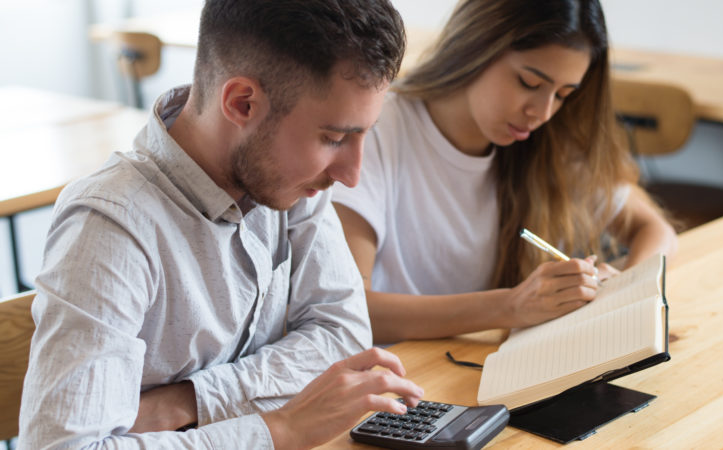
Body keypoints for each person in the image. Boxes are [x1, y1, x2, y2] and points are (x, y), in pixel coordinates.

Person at [19, 1, 423, 448]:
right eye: (333, 138)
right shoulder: (111, 227)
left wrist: (184, 403)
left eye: (363, 134)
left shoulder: (291, 181)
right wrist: (280, 428)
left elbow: (344, 339)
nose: (351, 174)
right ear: (242, 103)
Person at [332, 0, 678, 344]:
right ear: (476, 47)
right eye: (529, 82)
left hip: (473, 370)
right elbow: (350, 309)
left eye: (563, 95)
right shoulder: (377, 131)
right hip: (391, 378)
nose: (542, 112)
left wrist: (624, 290)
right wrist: (511, 306)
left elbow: (656, 230)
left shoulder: (547, 143)